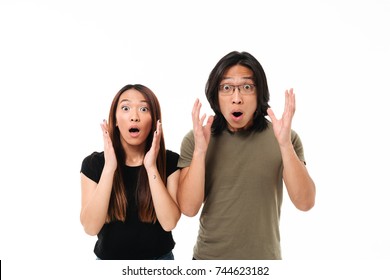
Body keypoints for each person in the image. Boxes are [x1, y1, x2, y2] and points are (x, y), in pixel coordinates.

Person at [177, 51, 316, 260]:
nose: (236, 98)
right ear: (215, 95)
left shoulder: (285, 138)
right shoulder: (196, 140)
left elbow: (305, 202)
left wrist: (285, 145)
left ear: (259, 94)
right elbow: (188, 208)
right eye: (226, 88)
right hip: (208, 260)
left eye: (247, 87)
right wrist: (200, 151)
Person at [80, 84, 181, 260]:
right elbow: (90, 227)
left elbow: (169, 222)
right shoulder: (94, 164)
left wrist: (151, 167)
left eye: (143, 109)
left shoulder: (170, 161)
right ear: (116, 120)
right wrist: (109, 168)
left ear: (154, 120)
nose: (134, 117)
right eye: (126, 108)